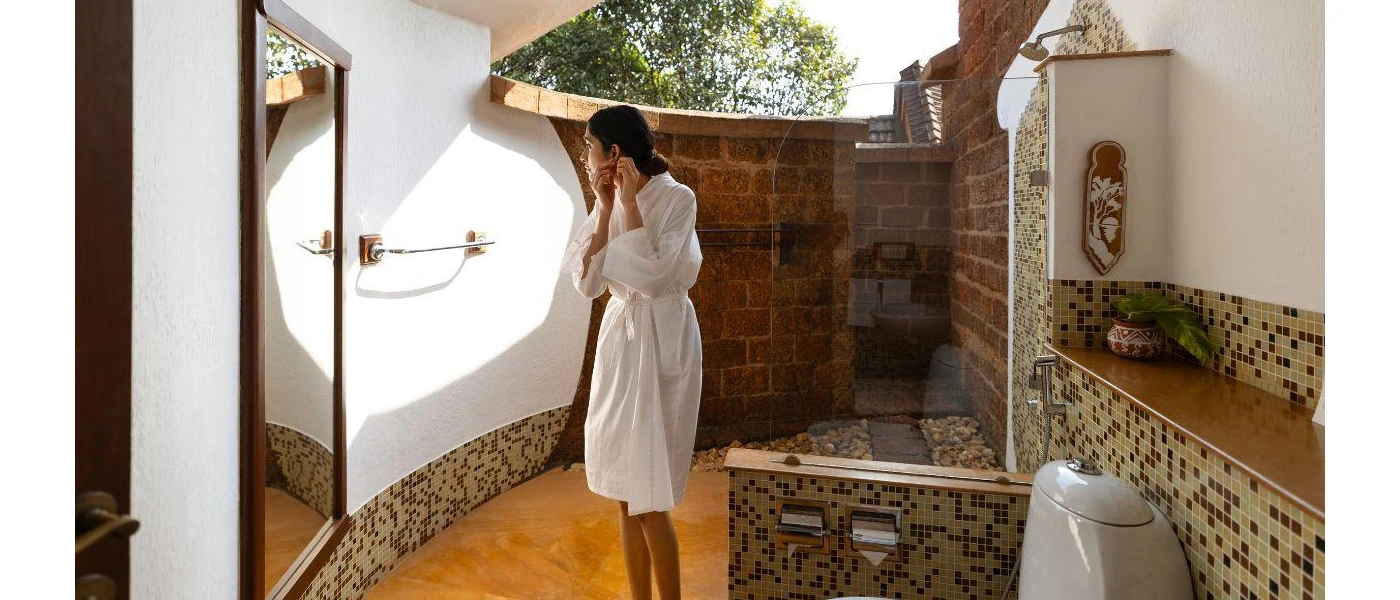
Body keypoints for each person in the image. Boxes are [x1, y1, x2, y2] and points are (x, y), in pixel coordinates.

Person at [559, 104, 704, 600]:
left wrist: (633, 206)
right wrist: (605, 209)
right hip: (622, 342)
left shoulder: (677, 199)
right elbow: (588, 282)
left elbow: (660, 275)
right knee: (624, 492)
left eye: (588, 146)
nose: (583, 155)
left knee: (646, 494)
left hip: (661, 340)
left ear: (613, 152)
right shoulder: (604, 201)